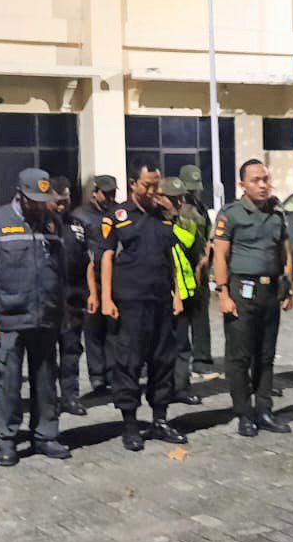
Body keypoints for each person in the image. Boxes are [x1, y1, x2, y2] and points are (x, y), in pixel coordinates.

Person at [0, 168, 72, 466]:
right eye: (34, 200)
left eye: (43, 200)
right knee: (9, 382)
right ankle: (6, 439)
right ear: (20, 194)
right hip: (10, 315)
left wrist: (63, 309)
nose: (39, 206)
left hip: (46, 315)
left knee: (46, 380)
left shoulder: (53, 223)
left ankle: (46, 435)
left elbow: (60, 271)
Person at [100, 160, 188, 451]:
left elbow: (171, 256)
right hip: (131, 301)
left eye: (155, 185)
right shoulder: (118, 216)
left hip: (161, 299)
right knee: (129, 362)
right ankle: (130, 425)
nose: (152, 191)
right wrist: (106, 298)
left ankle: (160, 419)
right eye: (147, 185)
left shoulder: (163, 214)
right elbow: (106, 257)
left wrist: (176, 293)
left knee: (163, 361)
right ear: (133, 184)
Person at [212, 159, 293, 438]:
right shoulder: (231, 214)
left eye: (265, 179)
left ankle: (264, 410)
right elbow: (220, 255)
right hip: (241, 292)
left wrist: (287, 286)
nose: (262, 185)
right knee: (240, 357)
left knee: (266, 356)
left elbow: (284, 252)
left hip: (270, 292)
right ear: (242, 185)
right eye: (256, 180)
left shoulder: (276, 214)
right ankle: (244, 413)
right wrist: (223, 293)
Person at [51, 177, 92, 417]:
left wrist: (89, 294)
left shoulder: (77, 224)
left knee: (71, 350)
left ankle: (70, 396)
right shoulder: (41, 224)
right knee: (47, 355)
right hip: (50, 301)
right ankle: (48, 399)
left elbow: (87, 260)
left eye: (65, 201)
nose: (61, 206)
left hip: (74, 298)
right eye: (58, 202)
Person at [75, 175, 119, 395]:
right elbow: (80, 250)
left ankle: (113, 373)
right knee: (93, 330)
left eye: (113, 192)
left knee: (114, 329)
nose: (110, 197)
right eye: (106, 193)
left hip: (116, 278)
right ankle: (97, 377)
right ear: (95, 192)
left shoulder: (119, 213)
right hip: (90, 278)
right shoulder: (81, 216)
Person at [163, 177, 203, 406]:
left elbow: (189, 242)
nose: (178, 203)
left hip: (184, 291)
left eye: (180, 198)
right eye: (172, 199)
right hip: (160, 292)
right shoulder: (152, 221)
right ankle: (163, 388)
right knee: (162, 346)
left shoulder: (184, 220)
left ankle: (180, 388)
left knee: (181, 344)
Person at [177, 164, 215, 378]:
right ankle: (183, 361)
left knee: (201, 316)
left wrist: (206, 259)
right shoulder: (179, 210)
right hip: (186, 268)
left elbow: (207, 235)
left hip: (201, 266)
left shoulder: (200, 207)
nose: (193, 192)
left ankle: (201, 359)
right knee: (183, 317)